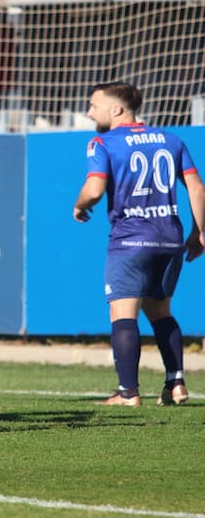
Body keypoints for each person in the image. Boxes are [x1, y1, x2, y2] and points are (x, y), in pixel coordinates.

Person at [73, 82, 205, 406]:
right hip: (170, 239)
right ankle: (176, 385)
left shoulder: (103, 142)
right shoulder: (170, 139)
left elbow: (94, 189)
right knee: (161, 312)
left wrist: (80, 205)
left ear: (116, 109)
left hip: (131, 240)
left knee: (123, 315)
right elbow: (196, 188)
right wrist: (199, 233)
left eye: (94, 105)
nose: (90, 112)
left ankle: (128, 392)